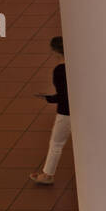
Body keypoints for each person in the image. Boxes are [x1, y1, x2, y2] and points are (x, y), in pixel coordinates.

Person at [29, 36, 69, 185]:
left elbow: (63, 96)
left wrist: (48, 98)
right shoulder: (78, 64)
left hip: (66, 112)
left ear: (56, 51)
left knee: (56, 143)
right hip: (83, 109)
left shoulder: (59, 70)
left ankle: (47, 175)